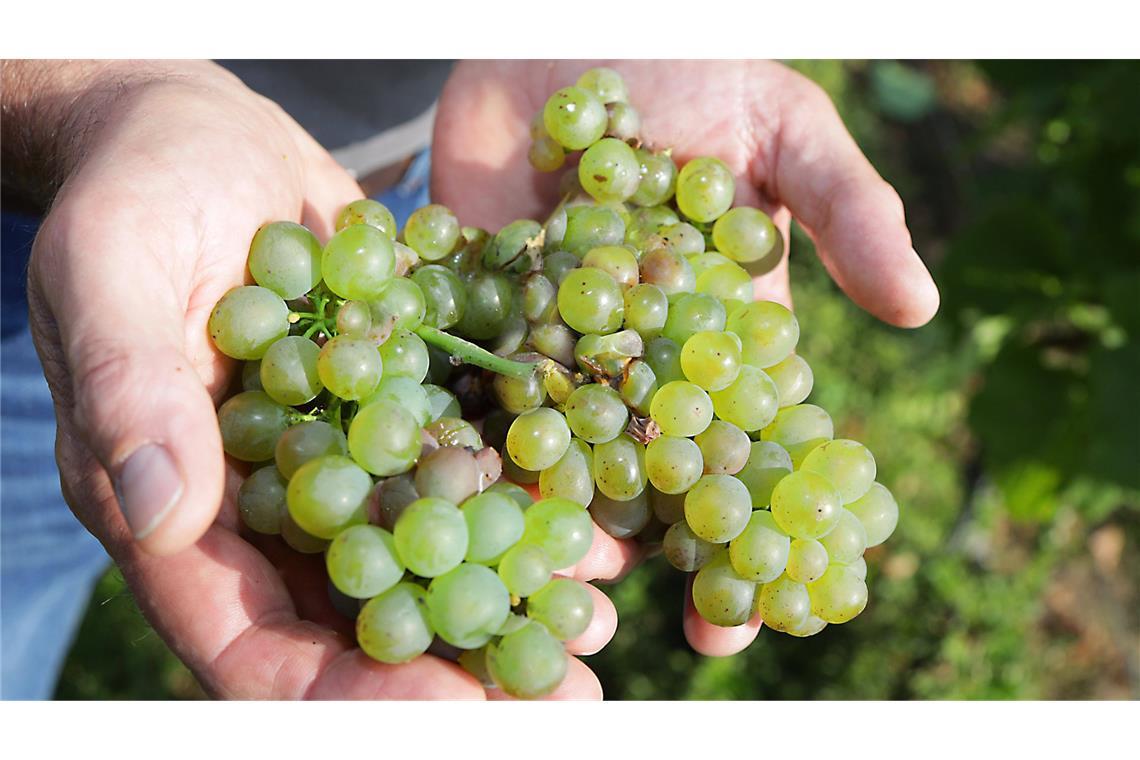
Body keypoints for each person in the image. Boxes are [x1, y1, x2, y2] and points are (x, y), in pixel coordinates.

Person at [0, 59, 938, 700]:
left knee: (154, 496)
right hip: (140, 181)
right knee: (29, 542)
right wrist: (93, 82)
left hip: (416, 197)